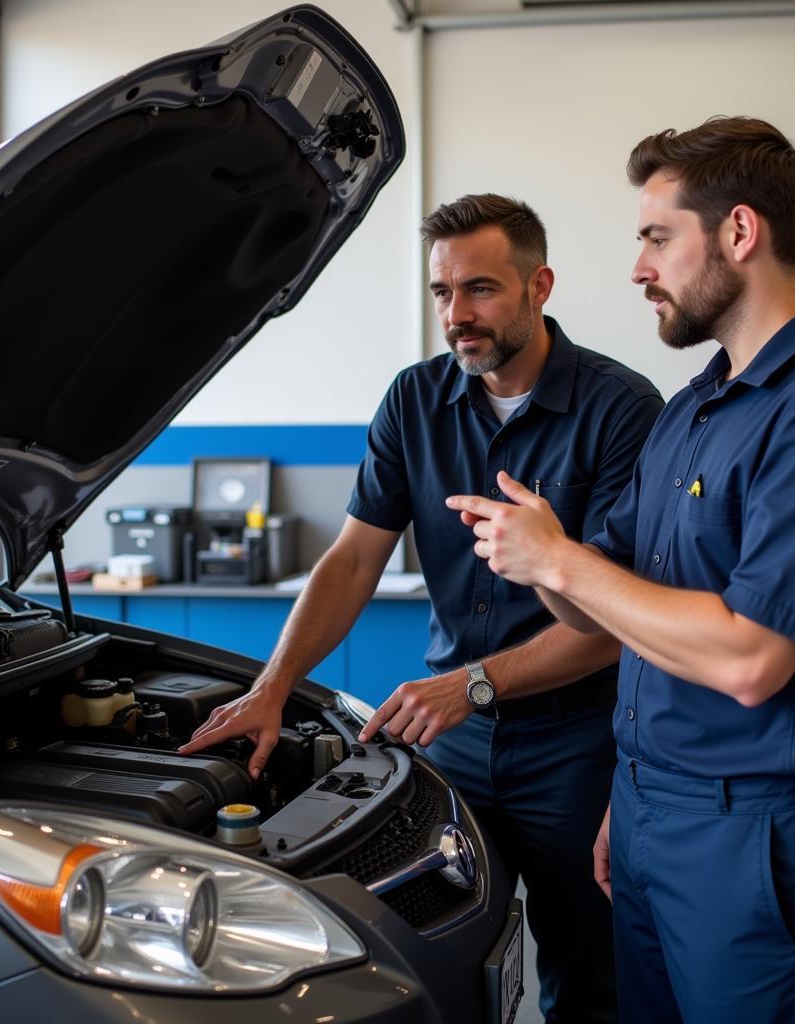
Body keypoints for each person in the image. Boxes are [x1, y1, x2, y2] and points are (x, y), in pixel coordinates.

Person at [443, 120, 795, 1023]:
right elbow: (597, 610)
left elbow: (750, 660)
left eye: (657, 238)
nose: (637, 268)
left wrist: (563, 559)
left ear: (740, 233)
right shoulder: (696, 404)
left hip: (766, 831)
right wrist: (536, 553)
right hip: (654, 808)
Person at [182, 194, 664, 1023]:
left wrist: (469, 684)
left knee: (591, 975)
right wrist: (272, 685)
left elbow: (615, 623)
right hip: (457, 743)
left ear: (539, 285)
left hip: (578, 747)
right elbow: (352, 559)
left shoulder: (622, 411)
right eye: (442, 293)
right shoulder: (413, 401)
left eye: (479, 290)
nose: (456, 316)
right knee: (433, 959)